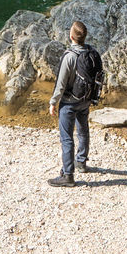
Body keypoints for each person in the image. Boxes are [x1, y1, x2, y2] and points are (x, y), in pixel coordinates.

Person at [47, 20, 100, 187]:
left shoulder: (69, 56)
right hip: (85, 100)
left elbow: (61, 84)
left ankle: (68, 175)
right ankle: (81, 162)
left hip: (69, 103)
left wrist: (53, 102)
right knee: (83, 130)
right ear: (84, 37)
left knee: (67, 138)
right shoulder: (92, 53)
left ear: (71, 36)